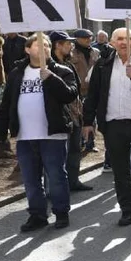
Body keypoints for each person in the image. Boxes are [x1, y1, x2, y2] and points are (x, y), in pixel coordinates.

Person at [0, 34, 80, 231]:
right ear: (27, 49)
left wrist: (51, 78)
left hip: (52, 135)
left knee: (56, 176)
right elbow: (7, 105)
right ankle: (38, 215)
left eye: (47, 46)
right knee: (31, 180)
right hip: (25, 136)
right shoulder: (16, 74)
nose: (45, 49)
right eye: (39, 46)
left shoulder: (62, 70)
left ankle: (61, 213)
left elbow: (69, 95)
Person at [82, 28, 131, 226]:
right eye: (119, 39)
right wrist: (87, 122)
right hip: (114, 125)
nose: (123, 42)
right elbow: (93, 95)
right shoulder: (103, 64)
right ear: (111, 42)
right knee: (121, 172)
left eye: (128, 38)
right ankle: (127, 210)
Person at [48, 31, 92, 193]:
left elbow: (76, 90)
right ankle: (58, 186)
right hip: (60, 116)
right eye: (67, 43)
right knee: (60, 153)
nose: (70, 46)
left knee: (75, 149)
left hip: (75, 113)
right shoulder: (47, 67)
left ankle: (73, 181)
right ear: (57, 45)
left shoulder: (68, 64)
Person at [71, 28, 100, 153]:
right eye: (85, 38)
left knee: (91, 117)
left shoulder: (96, 52)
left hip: (93, 89)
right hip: (77, 90)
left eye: (90, 37)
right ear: (77, 39)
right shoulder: (71, 53)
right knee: (78, 117)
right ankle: (79, 141)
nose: (88, 40)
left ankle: (90, 142)